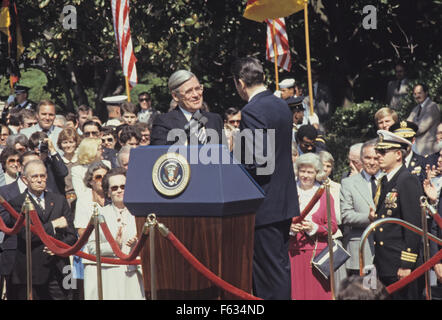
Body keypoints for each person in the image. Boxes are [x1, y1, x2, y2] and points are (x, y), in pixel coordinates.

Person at [231, 57, 299, 299]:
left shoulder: (252, 110)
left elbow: (258, 163)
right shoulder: (280, 104)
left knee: (268, 276)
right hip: (281, 203)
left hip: (264, 205)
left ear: (240, 83)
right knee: (278, 269)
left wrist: (234, 152)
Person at [6, 159, 77, 300]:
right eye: (35, 177)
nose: (39, 180)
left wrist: (57, 247)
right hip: (32, 270)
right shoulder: (17, 203)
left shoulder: (59, 200)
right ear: (25, 179)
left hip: (60, 267)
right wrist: (53, 225)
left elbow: (72, 236)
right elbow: (26, 235)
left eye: (42, 176)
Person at [369, 130, 424, 299]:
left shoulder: (406, 180)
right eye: (378, 151)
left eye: (383, 152)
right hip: (385, 262)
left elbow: (413, 225)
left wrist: (406, 264)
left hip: (400, 263)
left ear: (398, 154)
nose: (378, 156)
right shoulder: (385, 180)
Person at [82, 168, 145, 300]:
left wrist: (137, 244)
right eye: (114, 188)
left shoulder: (141, 214)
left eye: (123, 186)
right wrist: (114, 246)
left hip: (133, 275)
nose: (119, 190)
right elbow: (92, 248)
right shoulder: (100, 215)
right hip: (109, 276)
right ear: (108, 193)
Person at [290, 153, 337, 300]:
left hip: (317, 256)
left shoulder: (325, 195)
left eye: (310, 172)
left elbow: (333, 227)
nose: (305, 175)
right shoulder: (289, 192)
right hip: (292, 252)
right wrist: (290, 228)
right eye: (302, 171)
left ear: (317, 173)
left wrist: (314, 228)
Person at [0, 151, 40, 300]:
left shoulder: (48, 193)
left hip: (39, 254)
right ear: (21, 168)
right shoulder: (4, 191)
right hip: (14, 253)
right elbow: (4, 219)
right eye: (30, 166)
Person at [150, 70, 224, 145]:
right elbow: (160, 154)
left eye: (198, 88)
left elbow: (223, 153)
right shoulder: (164, 123)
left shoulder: (215, 119)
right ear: (175, 96)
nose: (196, 95)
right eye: (189, 91)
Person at [340, 139, 379, 276]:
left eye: (376, 158)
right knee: (366, 292)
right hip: (363, 251)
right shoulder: (349, 183)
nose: (372, 162)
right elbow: (346, 215)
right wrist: (367, 218)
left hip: (387, 253)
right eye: (368, 158)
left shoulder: (389, 180)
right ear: (361, 159)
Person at [318, 150, 346, 290]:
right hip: (314, 237)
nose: (325, 169)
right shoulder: (308, 185)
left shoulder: (337, 187)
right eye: (322, 165)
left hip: (333, 236)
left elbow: (340, 215)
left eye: (328, 166)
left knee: (336, 281)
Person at [407, 83, 440, 156]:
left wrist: (408, 131)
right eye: (415, 94)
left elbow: (421, 128)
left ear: (426, 92)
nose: (417, 96)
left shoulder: (432, 106)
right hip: (416, 148)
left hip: (429, 150)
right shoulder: (415, 109)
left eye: (419, 93)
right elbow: (406, 124)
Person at [57, 127, 81, 208]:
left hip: (81, 199)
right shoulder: (58, 163)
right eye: (65, 142)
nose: (68, 145)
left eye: (71, 142)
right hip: (65, 201)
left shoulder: (82, 161)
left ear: (76, 143)